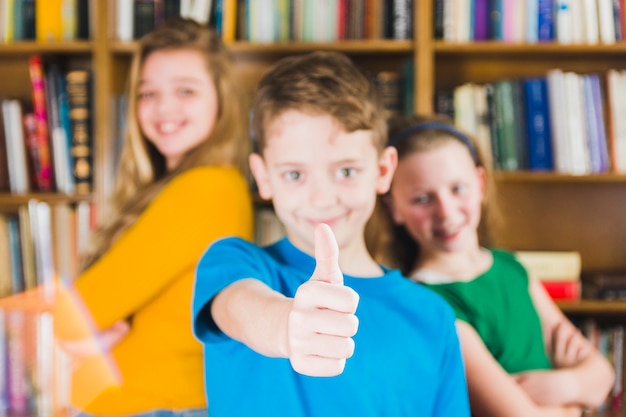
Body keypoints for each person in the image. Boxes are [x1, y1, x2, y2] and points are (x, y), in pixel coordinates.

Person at [192, 51, 470, 417]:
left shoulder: (433, 317)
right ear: (263, 177)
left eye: (346, 171)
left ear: (383, 169)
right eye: (295, 174)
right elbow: (240, 307)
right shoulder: (235, 262)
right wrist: (286, 325)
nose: (322, 198)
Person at [53, 17, 253, 416]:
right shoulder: (181, 186)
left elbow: (75, 313)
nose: (164, 108)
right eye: (147, 93)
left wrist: (68, 334)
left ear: (221, 99)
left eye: (185, 90)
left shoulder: (207, 187)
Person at [377, 113, 615, 417]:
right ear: (394, 208)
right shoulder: (428, 304)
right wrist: (577, 403)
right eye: (422, 199)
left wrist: (564, 386)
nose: (446, 212)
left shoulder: (511, 268)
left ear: (480, 184)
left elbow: (603, 375)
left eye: (457, 188)